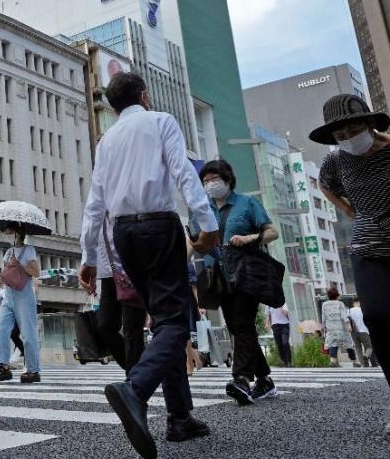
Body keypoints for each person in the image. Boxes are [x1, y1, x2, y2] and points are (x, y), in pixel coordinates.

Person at [79, 72, 219, 459]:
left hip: (122, 233)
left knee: (161, 319)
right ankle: (135, 388)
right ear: (144, 95)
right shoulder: (161, 121)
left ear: (112, 105)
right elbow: (184, 173)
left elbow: (95, 201)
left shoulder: (106, 140)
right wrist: (207, 224)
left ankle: (179, 417)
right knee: (174, 320)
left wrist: (88, 256)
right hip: (159, 225)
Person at [311, 94, 389, 395]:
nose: (348, 140)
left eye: (353, 132)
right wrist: (348, 210)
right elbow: (324, 184)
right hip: (368, 247)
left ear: (369, 124)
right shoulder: (335, 160)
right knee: (377, 317)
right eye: (340, 136)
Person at [199, 159, 280, 404]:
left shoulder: (246, 203)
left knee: (243, 322)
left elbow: (271, 232)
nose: (210, 185)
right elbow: (198, 243)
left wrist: (250, 238)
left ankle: (241, 379)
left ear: (227, 180)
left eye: (214, 179)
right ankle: (264, 380)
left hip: (247, 274)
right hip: (220, 278)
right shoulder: (205, 210)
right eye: (205, 181)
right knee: (236, 327)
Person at [80, 218, 147, 376]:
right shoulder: (98, 205)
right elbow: (92, 238)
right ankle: (140, 370)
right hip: (108, 275)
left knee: (132, 327)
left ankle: (134, 378)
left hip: (132, 270)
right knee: (105, 325)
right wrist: (90, 268)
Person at [0, 224, 42, 383]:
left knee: (28, 333)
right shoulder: (8, 252)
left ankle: (33, 371)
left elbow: (36, 272)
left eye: (9, 230)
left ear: (17, 232)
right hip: (8, 295)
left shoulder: (29, 250)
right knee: (1, 327)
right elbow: (7, 273)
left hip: (24, 295)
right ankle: (3, 366)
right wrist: (1, 277)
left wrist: (20, 264)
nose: (6, 233)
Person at [321, 288, 358, 368]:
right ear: (337, 295)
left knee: (332, 345)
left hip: (330, 329)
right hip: (341, 328)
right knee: (348, 345)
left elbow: (323, 318)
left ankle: (333, 361)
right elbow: (344, 315)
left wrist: (323, 327)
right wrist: (348, 325)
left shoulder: (324, 304)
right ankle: (354, 362)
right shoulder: (340, 303)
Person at [349, 301, 377, 367]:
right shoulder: (363, 310)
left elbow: (347, 321)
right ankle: (366, 355)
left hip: (353, 332)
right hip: (364, 331)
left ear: (353, 303)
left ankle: (363, 364)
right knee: (369, 347)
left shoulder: (349, 311)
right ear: (359, 302)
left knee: (358, 349)